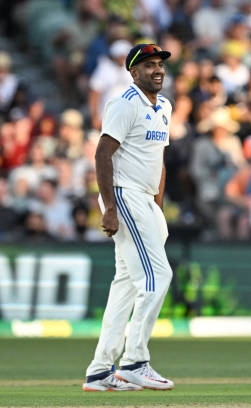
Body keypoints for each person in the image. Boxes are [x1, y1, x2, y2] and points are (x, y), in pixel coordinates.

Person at [82, 44, 175, 392]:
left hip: (145, 202)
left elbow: (158, 160)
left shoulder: (164, 106)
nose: (157, 70)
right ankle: (135, 361)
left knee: (124, 285)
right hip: (124, 195)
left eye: (160, 65)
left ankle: (100, 370)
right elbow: (102, 154)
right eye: (149, 65)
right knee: (158, 275)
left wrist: (157, 207)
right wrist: (108, 207)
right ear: (133, 73)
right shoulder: (124, 104)